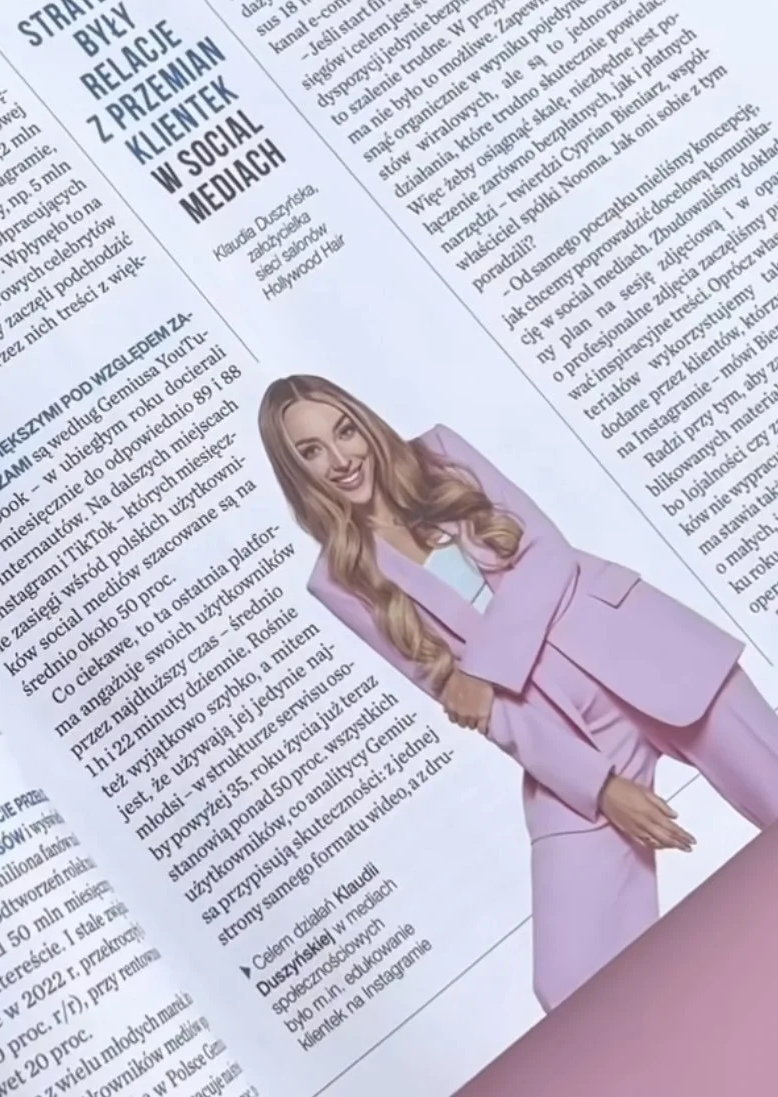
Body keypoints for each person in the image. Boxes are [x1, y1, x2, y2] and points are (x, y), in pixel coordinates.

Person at [258, 374, 778, 1011]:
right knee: (574, 984)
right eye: (311, 451)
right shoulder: (339, 579)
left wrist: (481, 667)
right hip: (561, 740)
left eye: (344, 431)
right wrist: (598, 786)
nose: (340, 460)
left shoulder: (441, 456)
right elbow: (463, 702)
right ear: (295, 469)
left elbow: (549, 556)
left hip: (645, 654)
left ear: (364, 422)